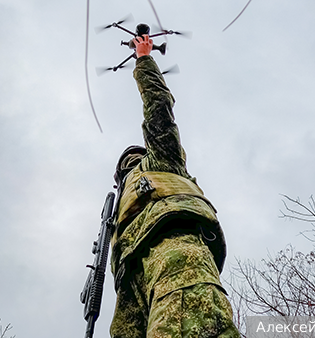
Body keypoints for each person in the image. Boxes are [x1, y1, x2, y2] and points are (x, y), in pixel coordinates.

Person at [109, 34, 239, 338]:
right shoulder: (118, 205)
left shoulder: (161, 161)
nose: (128, 165)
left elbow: (159, 109)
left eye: (132, 159)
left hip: (173, 249)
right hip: (131, 278)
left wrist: (143, 60)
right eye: (123, 166)